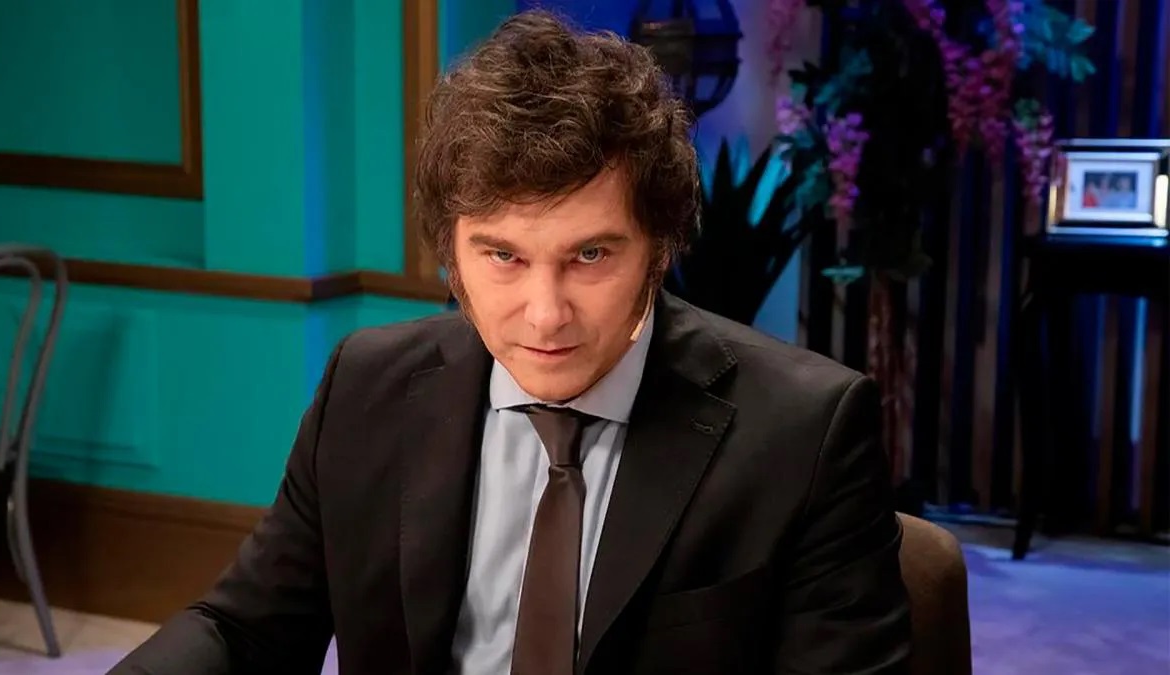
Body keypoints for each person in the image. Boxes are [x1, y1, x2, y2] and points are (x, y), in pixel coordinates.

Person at [110, 10, 910, 675]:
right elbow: (243, 629)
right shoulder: (365, 385)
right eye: (502, 255)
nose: (544, 314)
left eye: (590, 255)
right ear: (451, 253)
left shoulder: (806, 433)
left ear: (659, 247)